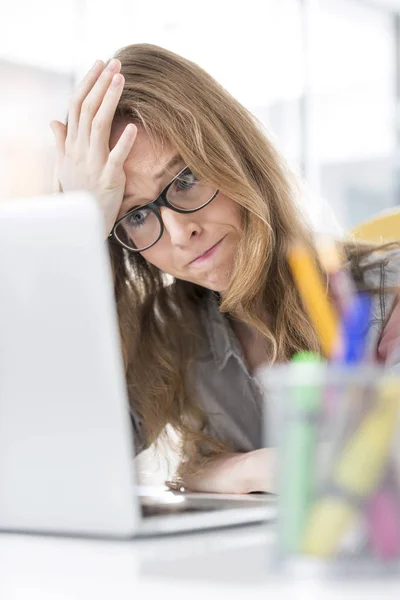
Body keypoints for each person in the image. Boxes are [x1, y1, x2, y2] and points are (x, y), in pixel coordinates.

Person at [50, 44, 400, 494]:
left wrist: (214, 471)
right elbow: (61, 464)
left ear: (236, 156)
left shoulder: (388, 294)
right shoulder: (172, 331)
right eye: (134, 215)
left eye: (185, 179)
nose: (178, 233)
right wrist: (77, 233)